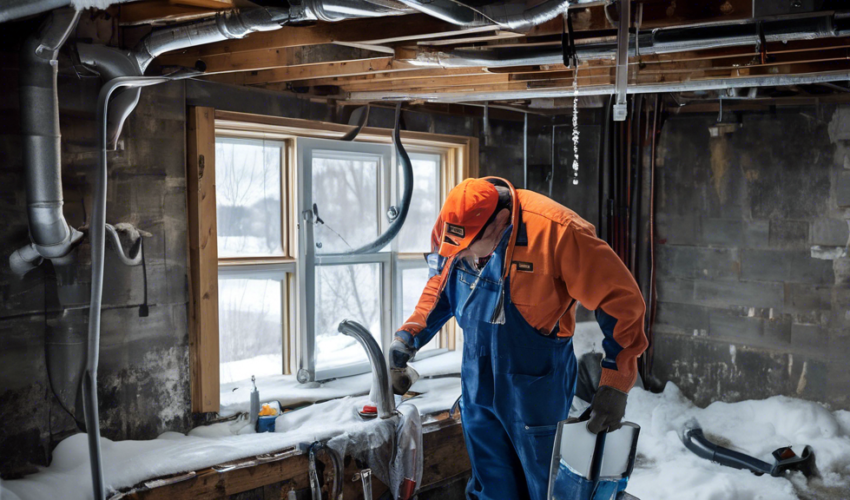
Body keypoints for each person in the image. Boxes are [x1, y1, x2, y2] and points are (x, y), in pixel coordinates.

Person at [389, 177, 647, 500]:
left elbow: (622, 301)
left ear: (499, 223)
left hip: (536, 385)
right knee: (492, 486)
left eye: (469, 248)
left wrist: (615, 383)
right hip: (477, 381)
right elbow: (441, 284)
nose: (462, 255)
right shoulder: (454, 225)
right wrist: (410, 334)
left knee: (545, 487)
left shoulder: (558, 231)